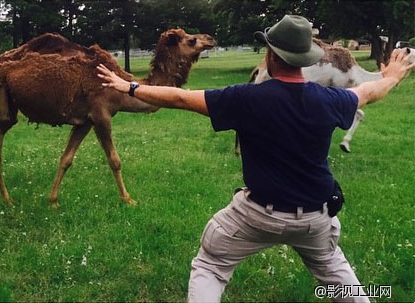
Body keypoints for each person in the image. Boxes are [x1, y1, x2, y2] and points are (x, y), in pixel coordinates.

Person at [97, 15, 415, 303]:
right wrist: (394, 76)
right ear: (306, 59)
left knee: (210, 266)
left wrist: (131, 87)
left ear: (270, 55)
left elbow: (180, 97)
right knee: (335, 273)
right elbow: (370, 92)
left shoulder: (245, 99)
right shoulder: (330, 100)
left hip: (258, 215)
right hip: (315, 219)